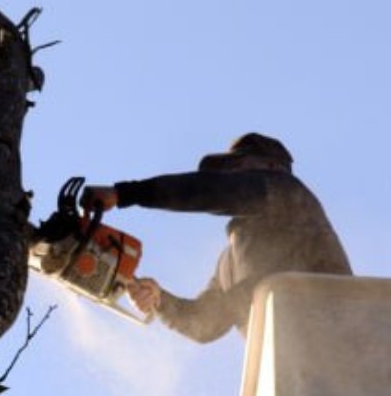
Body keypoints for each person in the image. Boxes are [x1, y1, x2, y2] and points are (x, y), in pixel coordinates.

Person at [81, 133, 352, 343]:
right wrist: (159, 300)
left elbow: (215, 191)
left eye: (237, 166)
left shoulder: (288, 193)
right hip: (289, 374)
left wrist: (126, 193)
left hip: (341, 338)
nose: (229, 175)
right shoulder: (229, 263)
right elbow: (205, 323)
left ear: (272, 166)